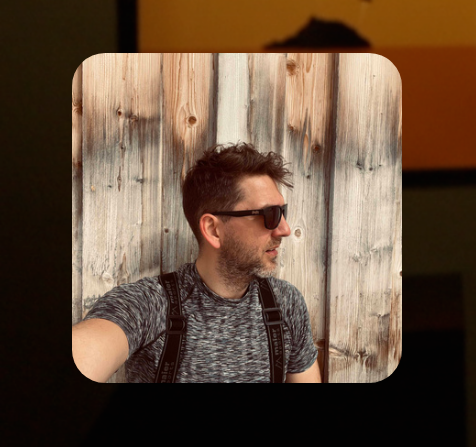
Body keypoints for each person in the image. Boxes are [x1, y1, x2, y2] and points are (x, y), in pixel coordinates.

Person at [71, 143, 320, 382]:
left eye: (282, 212)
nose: (285, 229)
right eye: (270, 215)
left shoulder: (285, 303)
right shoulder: (149, 305)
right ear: (213, 229)